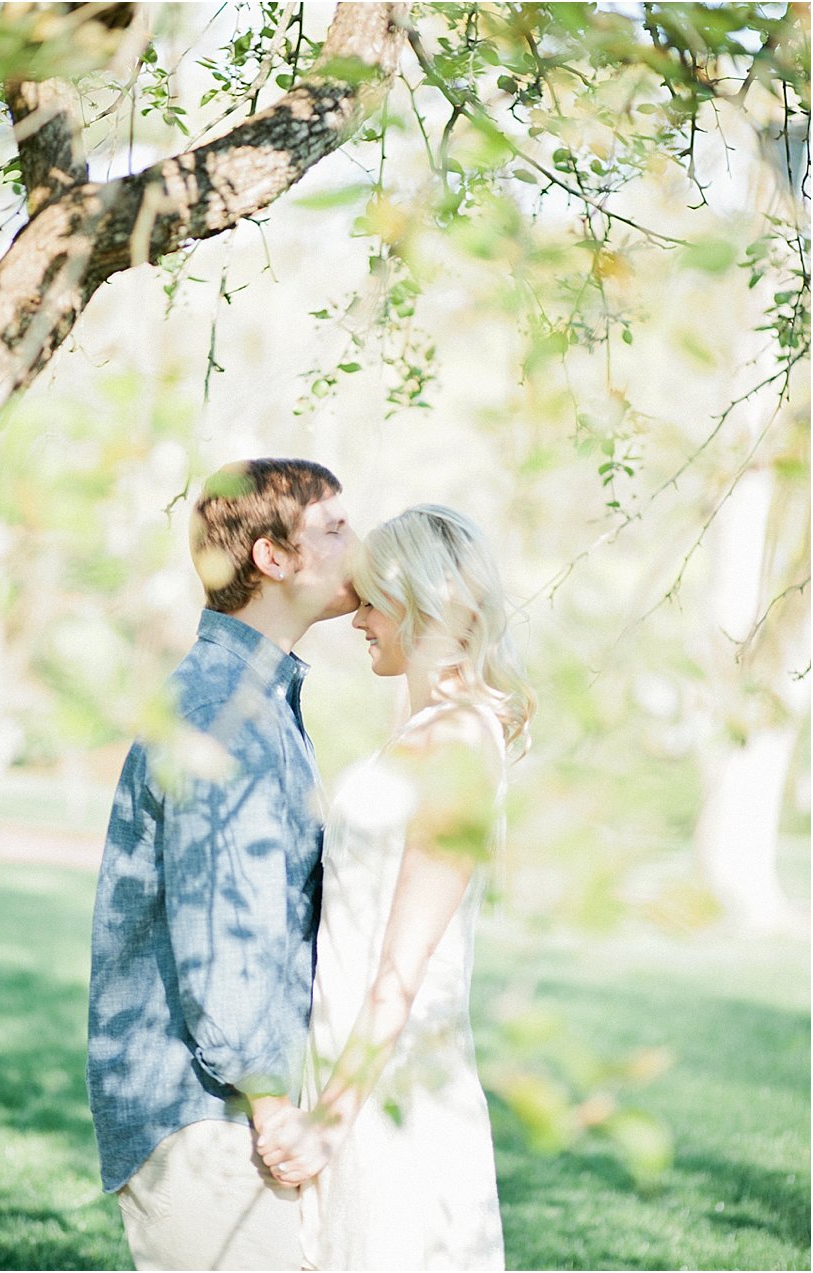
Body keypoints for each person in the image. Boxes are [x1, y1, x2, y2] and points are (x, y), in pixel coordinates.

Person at [86, 458, 358, 1272]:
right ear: (273, 558)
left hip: (228, 1100)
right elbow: (223, 925)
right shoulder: (223, 710)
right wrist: (271, 1104)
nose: (361, 546)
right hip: (203, 1107)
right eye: (336, 529)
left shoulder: (257, 698)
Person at [257, 504, 535, 1271]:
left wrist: (332, 1120)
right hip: (348, 1058)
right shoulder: (422, 727)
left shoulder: (457, 739)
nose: (359, 621)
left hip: (391, 1086)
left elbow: (406, 966)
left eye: (374, 601)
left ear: (421, 602)